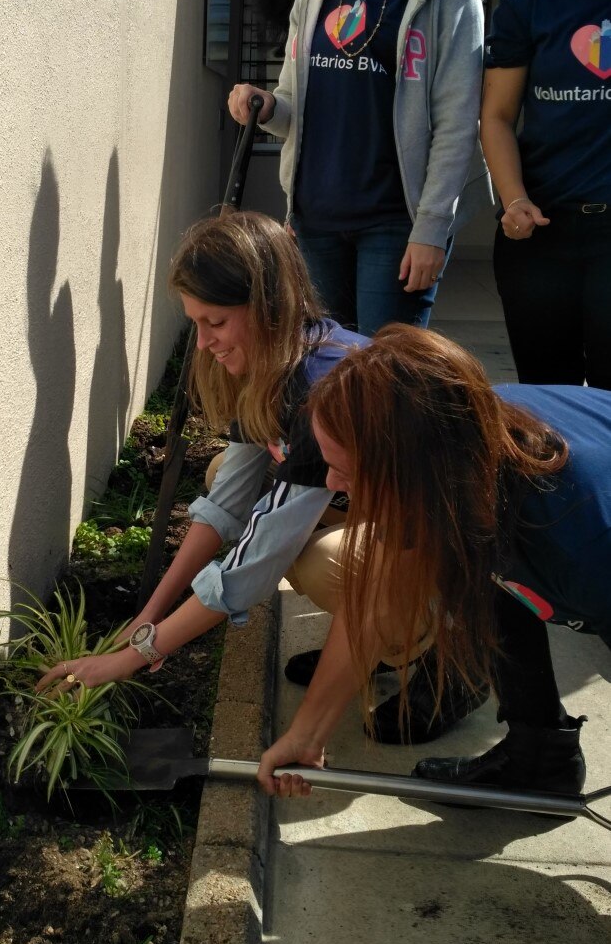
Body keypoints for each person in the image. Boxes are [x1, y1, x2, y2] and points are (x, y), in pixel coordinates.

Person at [38, 213, 485, 743]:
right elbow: (227, 502)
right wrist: (150, 615)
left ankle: (438, 649)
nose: (202, 343)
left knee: (322, 564)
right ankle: (374, 632)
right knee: (225, 471)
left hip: (458, 551)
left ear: (268, 308)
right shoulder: (272, 364)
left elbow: (260, 558)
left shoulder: (321, 389)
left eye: (216, 322)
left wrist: (136, 656)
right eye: (195, 322)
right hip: (390, 512)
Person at [257, 323, 610, 800]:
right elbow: (372, 601)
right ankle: (540, 754)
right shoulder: (447, 446)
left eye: (345, 470)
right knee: (479, 563)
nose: (333, 484)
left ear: (410, 469)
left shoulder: (583, 542)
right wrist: (306, 736)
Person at [228, 0, 491, 337]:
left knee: (383, 382)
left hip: (396, 225)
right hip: (315, 222)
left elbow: (458, 123)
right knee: (327, 377)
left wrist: (433, 229)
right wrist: (266, 105)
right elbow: (297, 106)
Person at [482, 0, 611, 390]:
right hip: (542, 241)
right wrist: (513, 200)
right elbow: (498, 116)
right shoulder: (528, 3)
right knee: (550, 411)